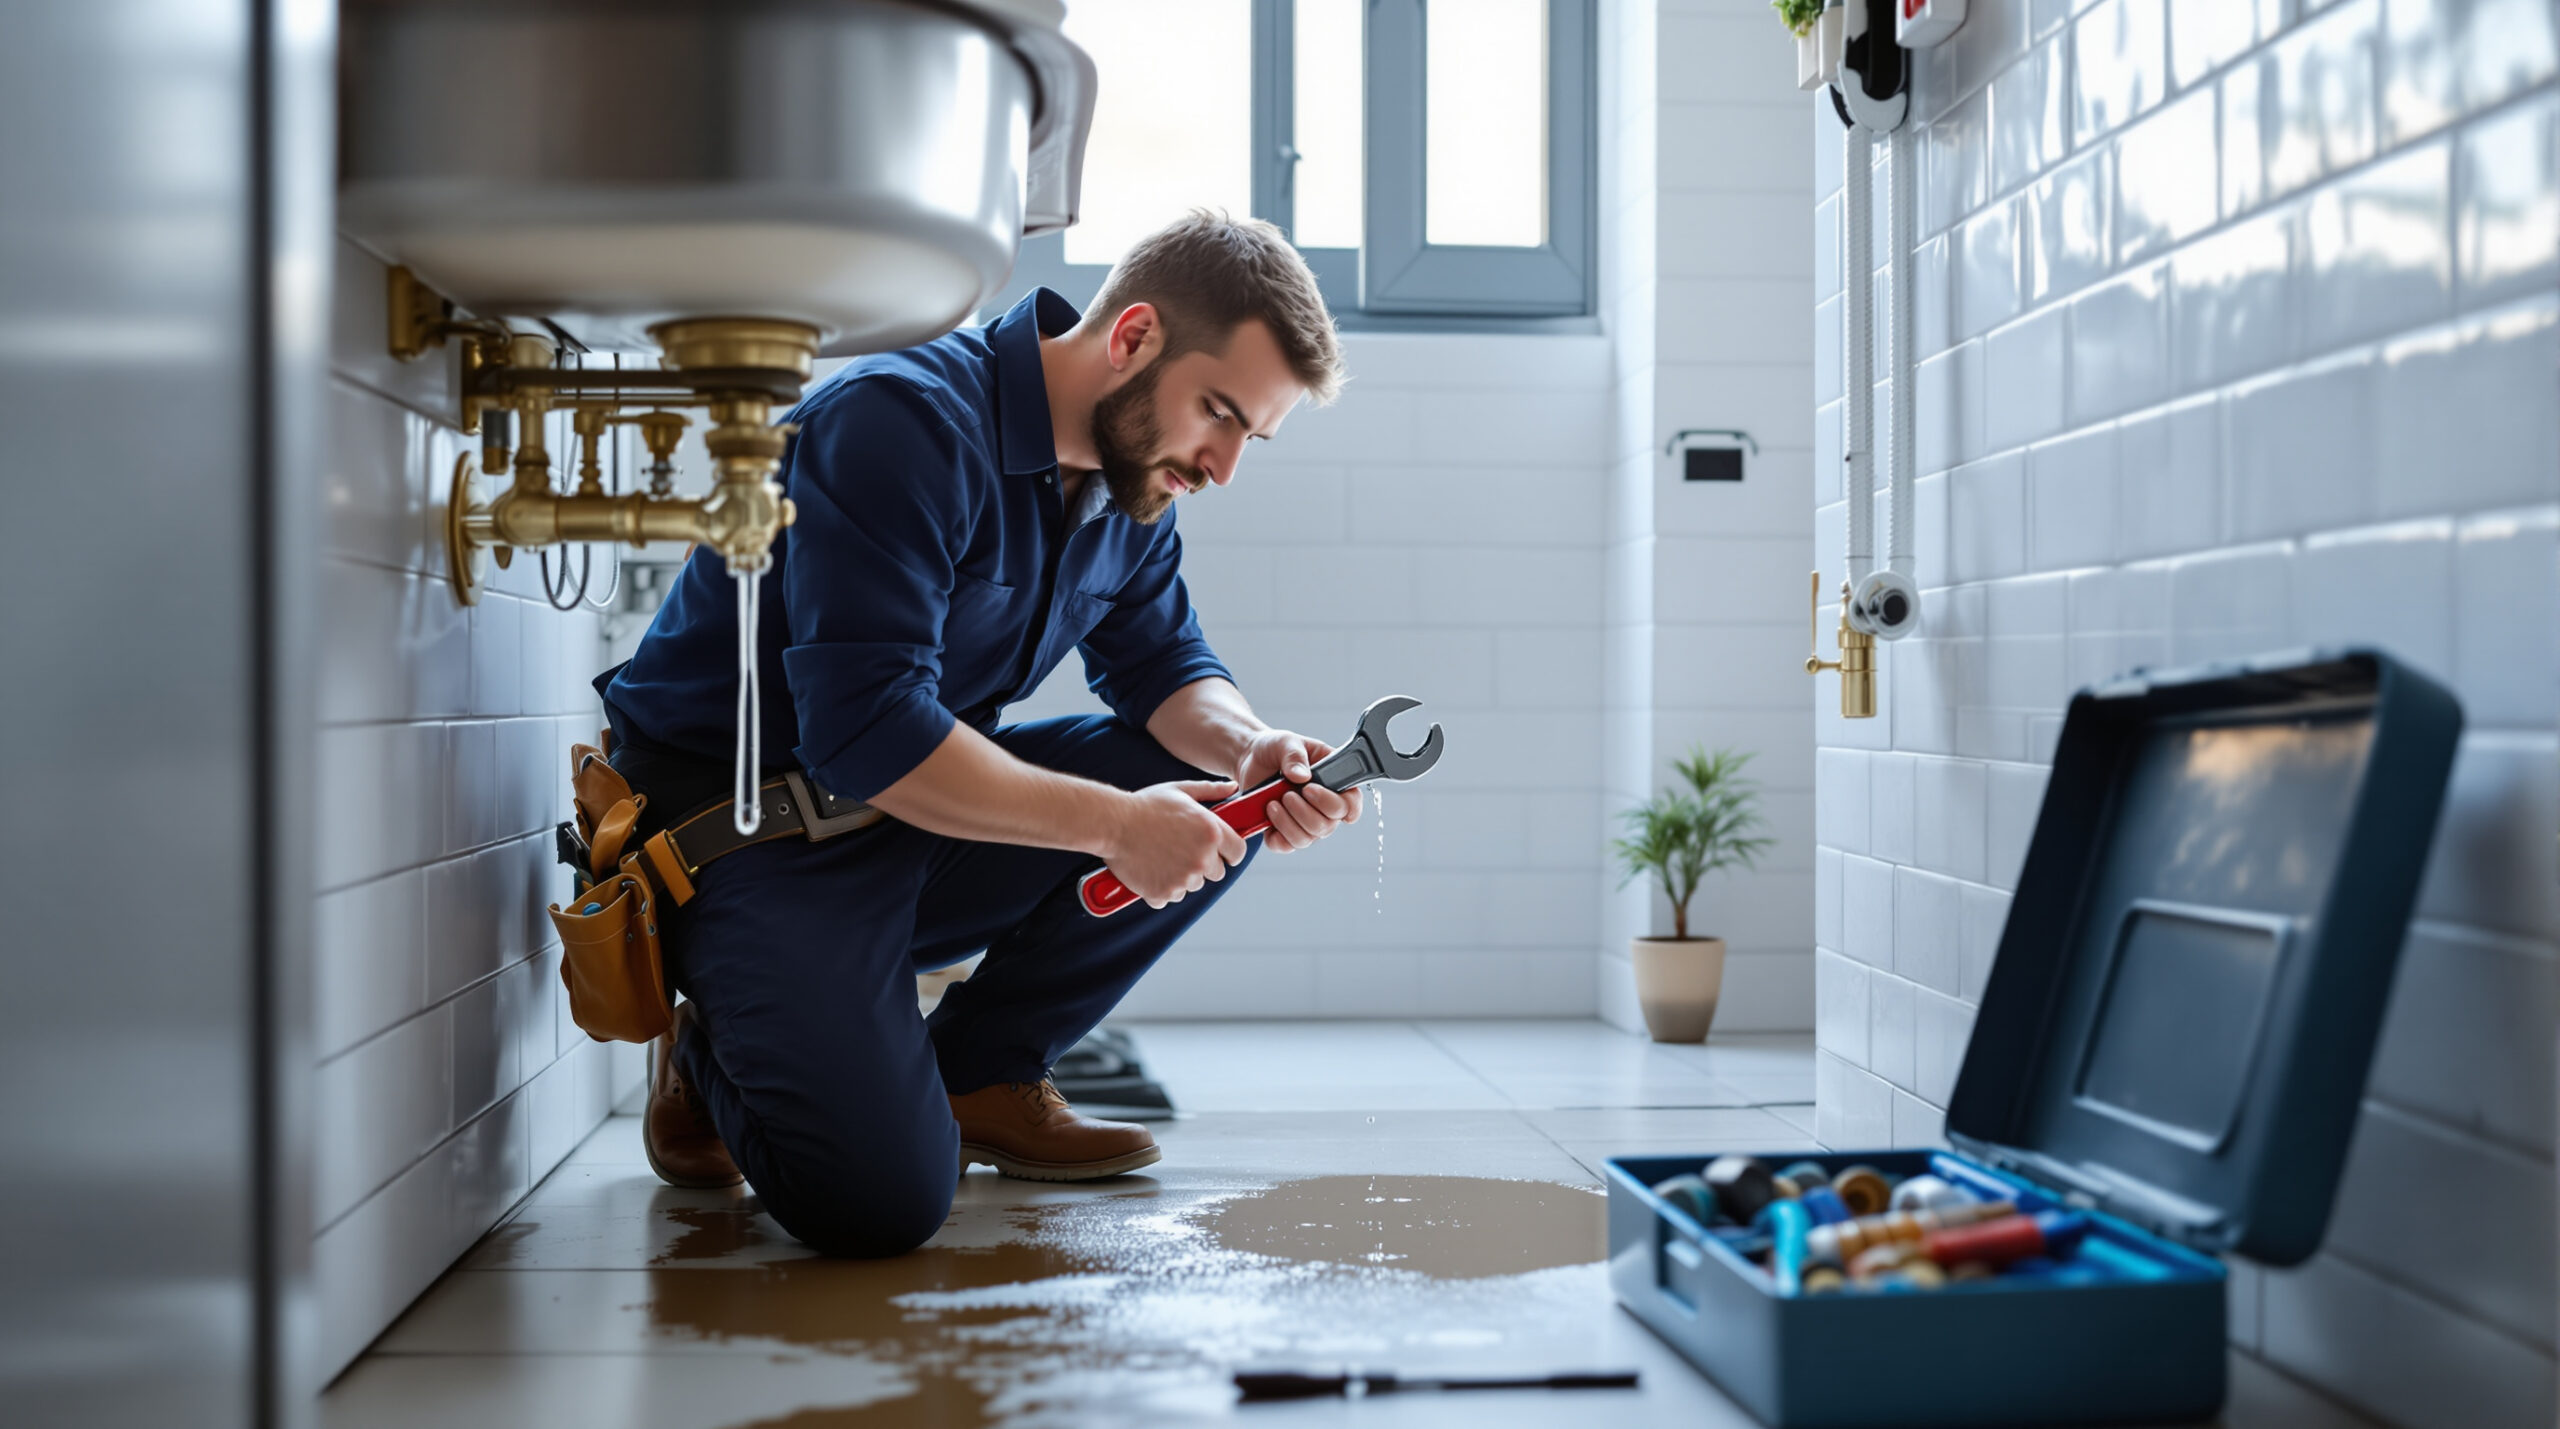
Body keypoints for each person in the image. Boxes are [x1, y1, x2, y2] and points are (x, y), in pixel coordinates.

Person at [593, 212, 1356, 1257]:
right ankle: (719, 1033)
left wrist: (1251, 753)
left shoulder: (1132, 486)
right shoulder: (898, 427)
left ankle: (981, 1072)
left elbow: (1165, 668)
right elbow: (868, 730)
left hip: (898, 817)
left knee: (1214, 795)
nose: (1220, 464)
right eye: (1216, 414)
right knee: (879, 1208)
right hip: (742, 839)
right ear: (1132, 337)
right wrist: (1112, 826)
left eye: (1247, 438)